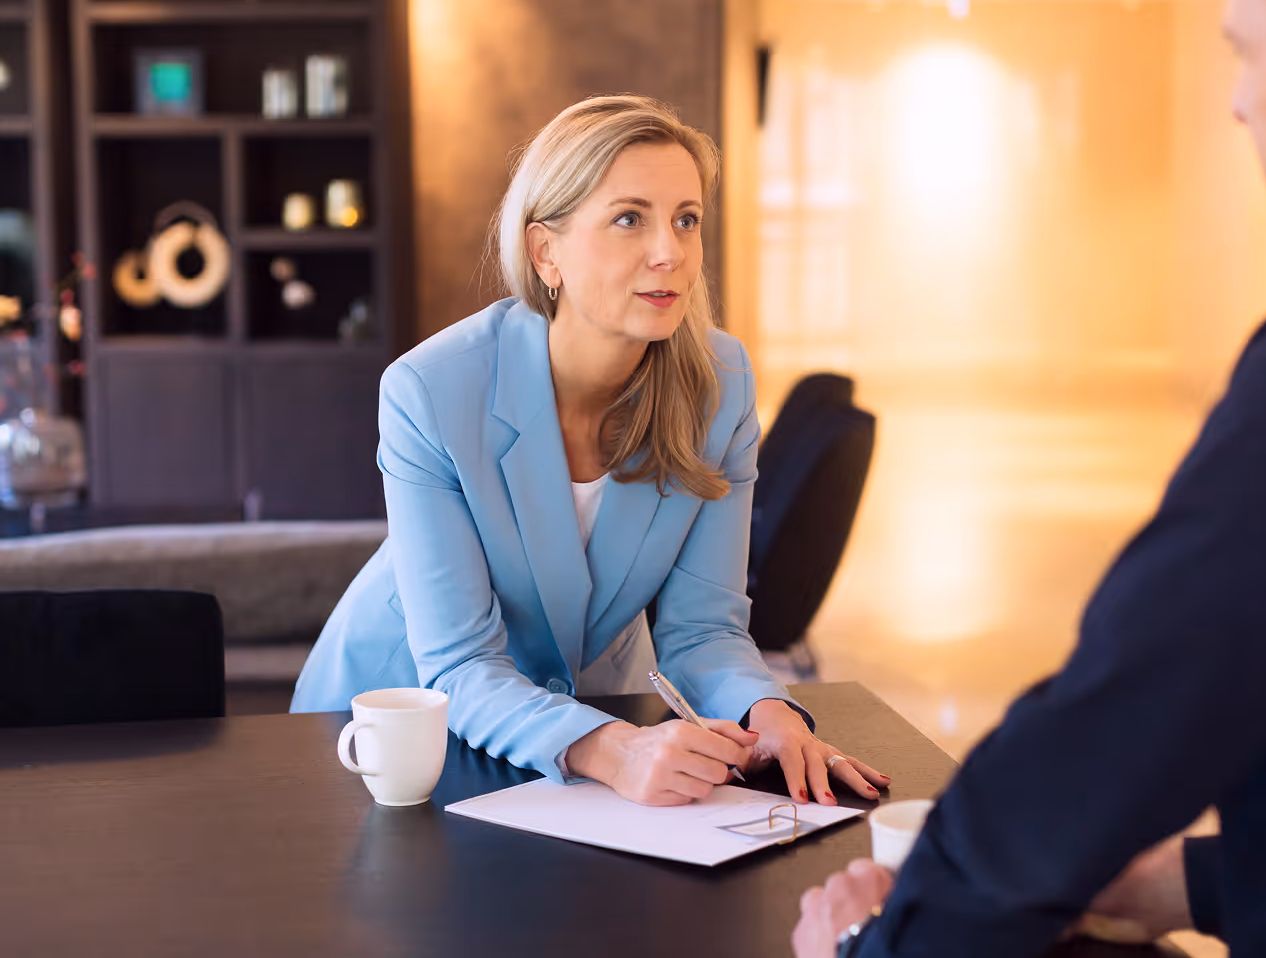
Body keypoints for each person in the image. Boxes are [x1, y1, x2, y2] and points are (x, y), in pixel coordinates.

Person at [793, 0, 1266, 953]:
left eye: (1245, 52)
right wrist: (1192, 883)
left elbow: (1126, 715)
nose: (1235, 100)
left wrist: (877, 943)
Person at [293, 95, 889, 808]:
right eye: (629, 218)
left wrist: (771, 716)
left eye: (687, 220)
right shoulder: (430, 390)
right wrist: (617, 749)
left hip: (581, 729)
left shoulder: (718, 386)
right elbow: (458, 663)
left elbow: (703, 629)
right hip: (399, 736)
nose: (669, 251)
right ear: (547, 252)